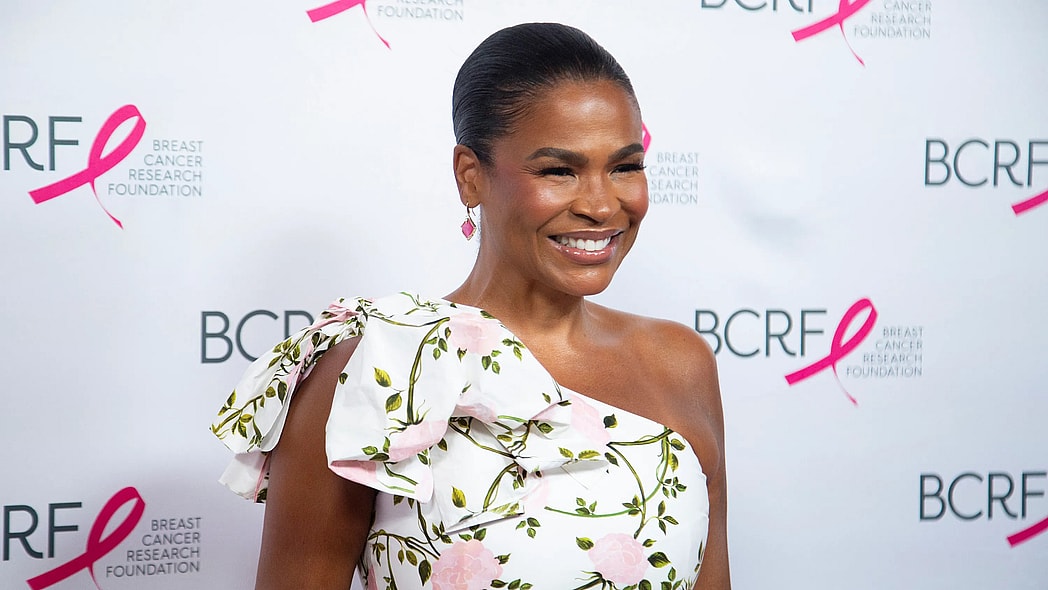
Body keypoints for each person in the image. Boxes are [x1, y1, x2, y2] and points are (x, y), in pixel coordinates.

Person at [212, 22, 729, 590]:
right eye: (559, 170)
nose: (603, 206)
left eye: (625, 166)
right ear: (470, 175)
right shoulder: (373, 371)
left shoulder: (679, 362)